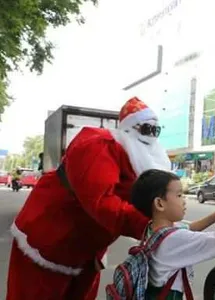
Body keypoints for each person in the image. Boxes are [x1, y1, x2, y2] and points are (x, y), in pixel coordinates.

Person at [7, 97, 172, 300]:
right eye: (147, 128)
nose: (152, 135)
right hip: (50, 237)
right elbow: (102, 202)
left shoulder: (142, 158)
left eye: (157, 129)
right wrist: (151, 228)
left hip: (87, 247)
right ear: (131, 128)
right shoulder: (100, 145)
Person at [129, 169, 215, 299]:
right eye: (179, 195)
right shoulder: (172, 239)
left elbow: (189, 228)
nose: (184, 200)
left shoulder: (155, 229)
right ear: (160, 204)